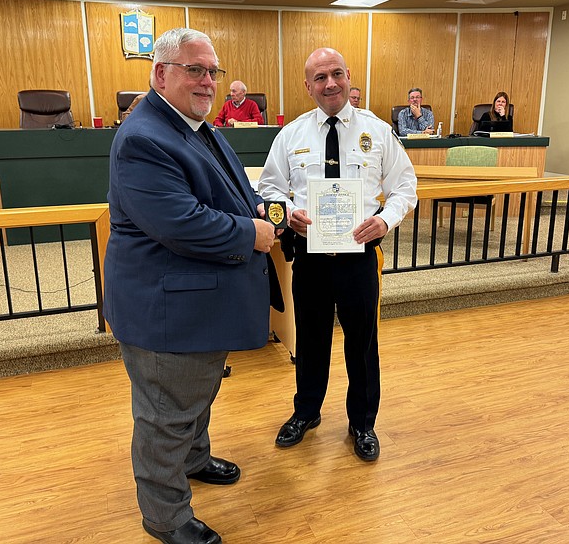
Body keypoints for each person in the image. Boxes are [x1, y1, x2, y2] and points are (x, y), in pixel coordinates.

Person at [105, 27, 277, 544]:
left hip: (197, 304)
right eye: (195, 69)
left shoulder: (194, 125)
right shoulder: (143, 137)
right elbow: (182, 222)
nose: (208, 82)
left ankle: (196, 459)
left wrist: (277, 214)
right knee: (165, 416)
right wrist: (253, 233)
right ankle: (167, 518)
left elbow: (232, 192)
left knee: (195, 395)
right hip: (166, 311)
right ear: (161, 74)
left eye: (213, 71)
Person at [259, 48, 417, 462]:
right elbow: (269, 188)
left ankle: (362, 422)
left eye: (336, 74)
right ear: (307, 86)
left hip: (358, 259)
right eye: (320, 77)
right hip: (310, 258)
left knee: (363, 344)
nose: (330, 83)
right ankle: (306, 412)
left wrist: (385, 221)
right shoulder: (291, 135)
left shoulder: (378, 132)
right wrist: (287, 212)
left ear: (348, 77)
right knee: (310, 340)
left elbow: (405, 187)